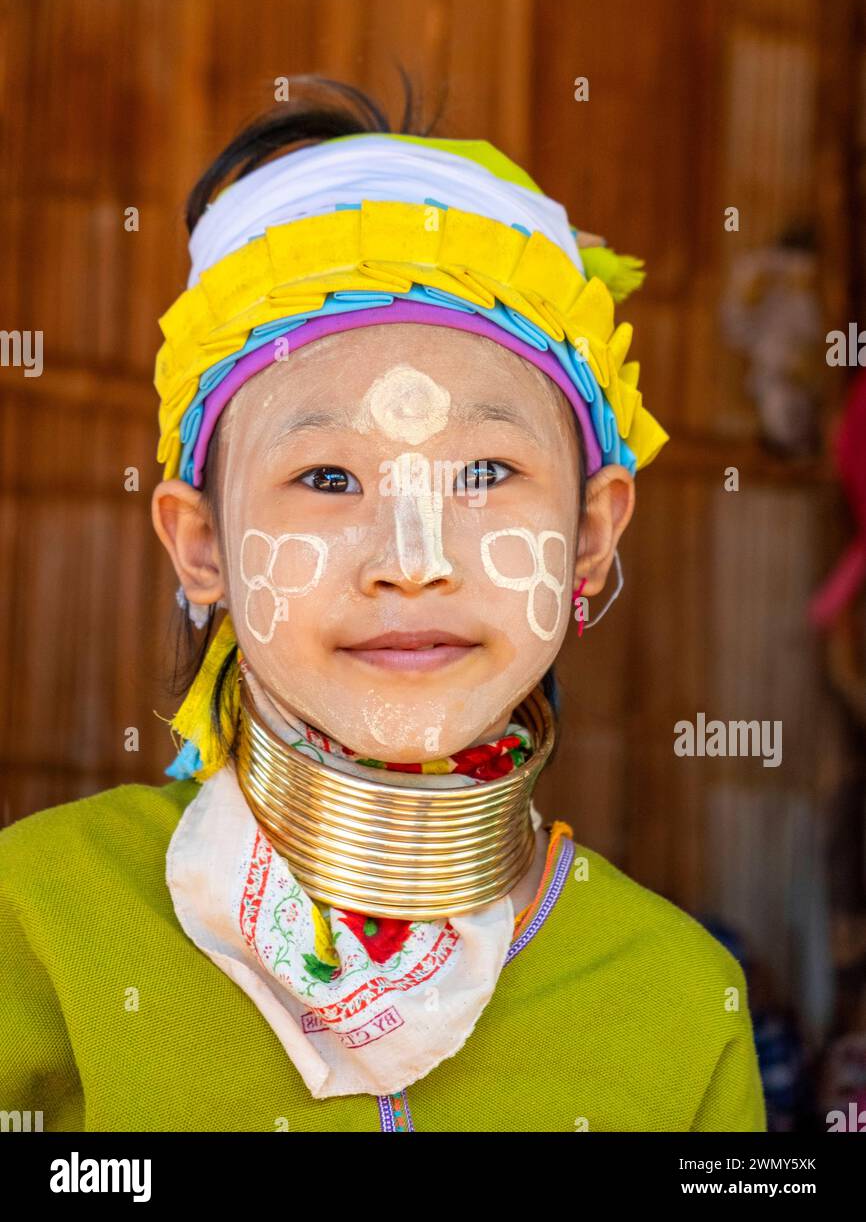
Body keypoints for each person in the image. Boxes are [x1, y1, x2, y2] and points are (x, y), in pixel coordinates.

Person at [0, 78, 767, 1131]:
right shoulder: (42, 921)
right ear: (200, 544)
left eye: (485, 471)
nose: (412, 564)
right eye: (326, 479)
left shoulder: (679, 1000)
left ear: (588, 536)